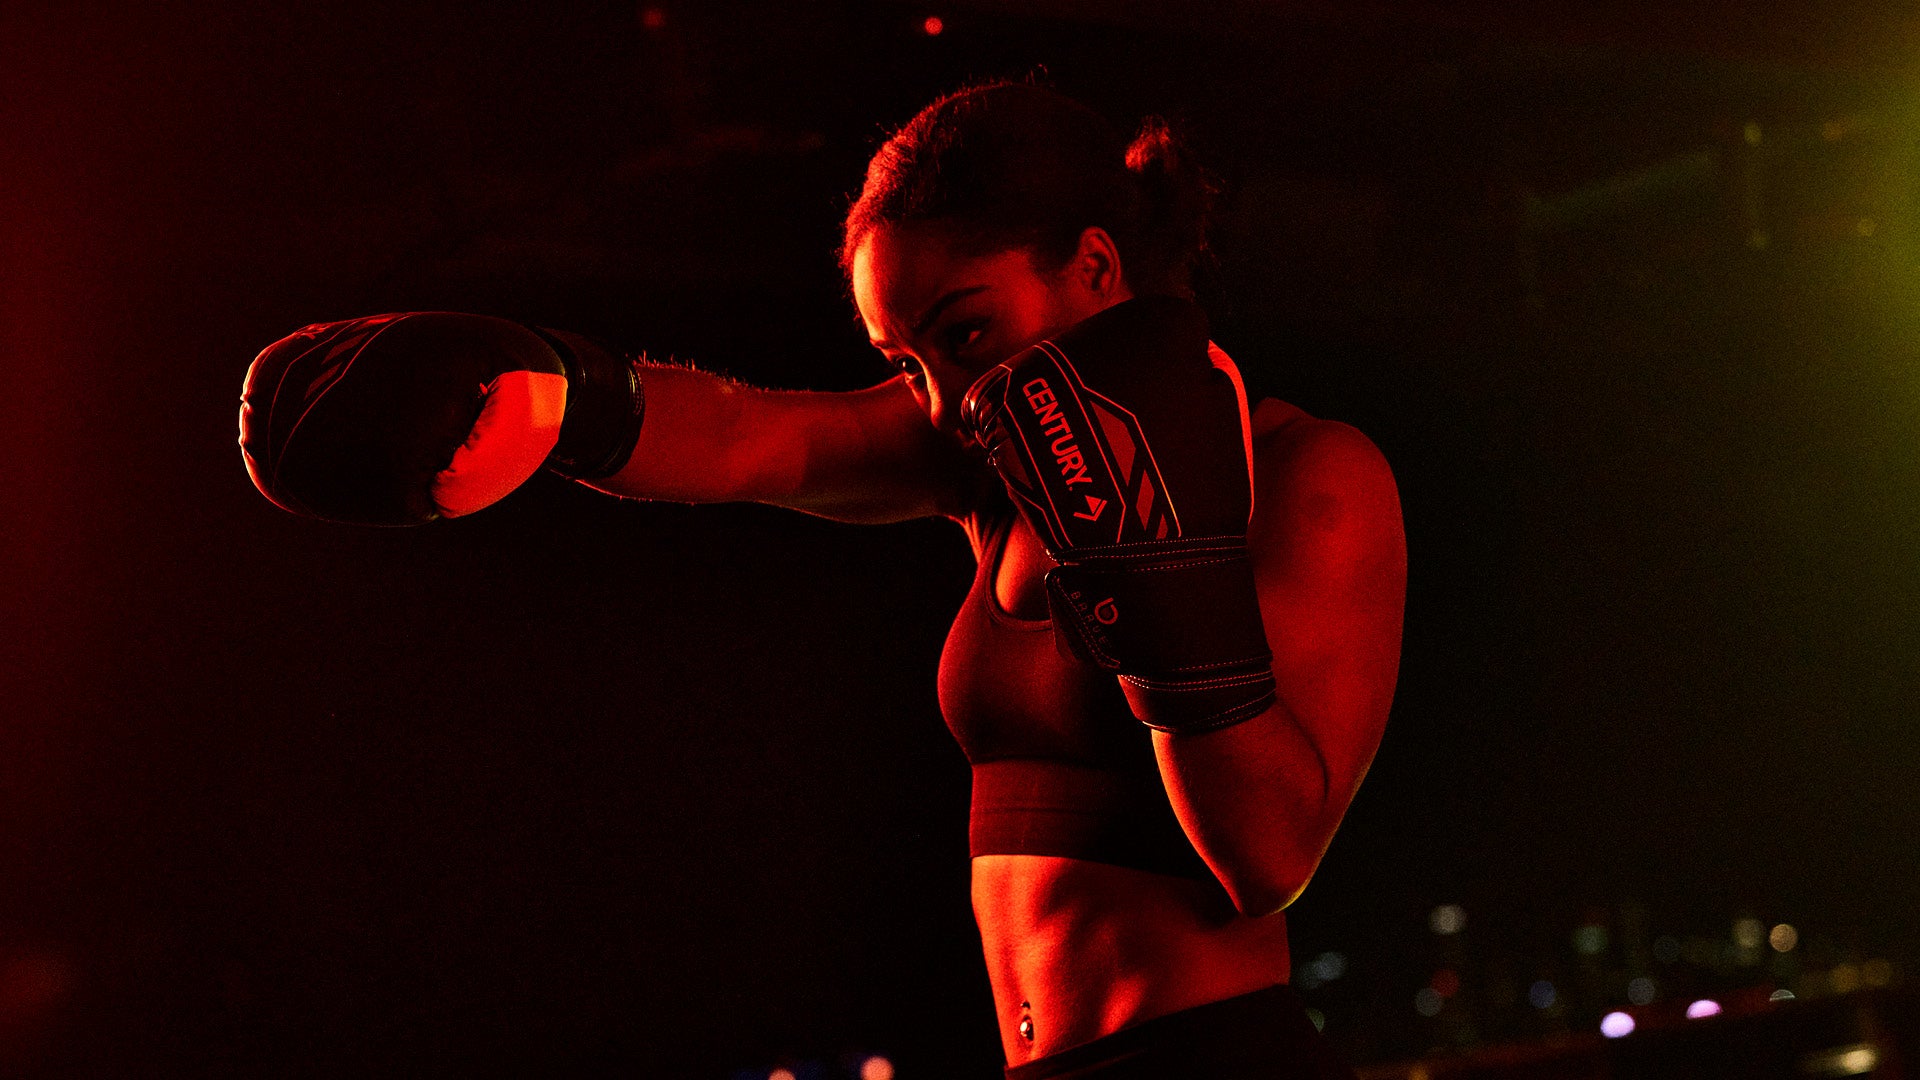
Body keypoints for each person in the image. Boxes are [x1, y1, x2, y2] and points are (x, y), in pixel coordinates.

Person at [240, 81, 1405, 1078]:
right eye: (905, 361)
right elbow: (766, 440)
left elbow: (1271, 860)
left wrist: (1164, 588)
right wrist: (554, 395)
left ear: (1096, 265)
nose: (946, 400)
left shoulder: (1309, 474)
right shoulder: (991, 462)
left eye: (965, 334)